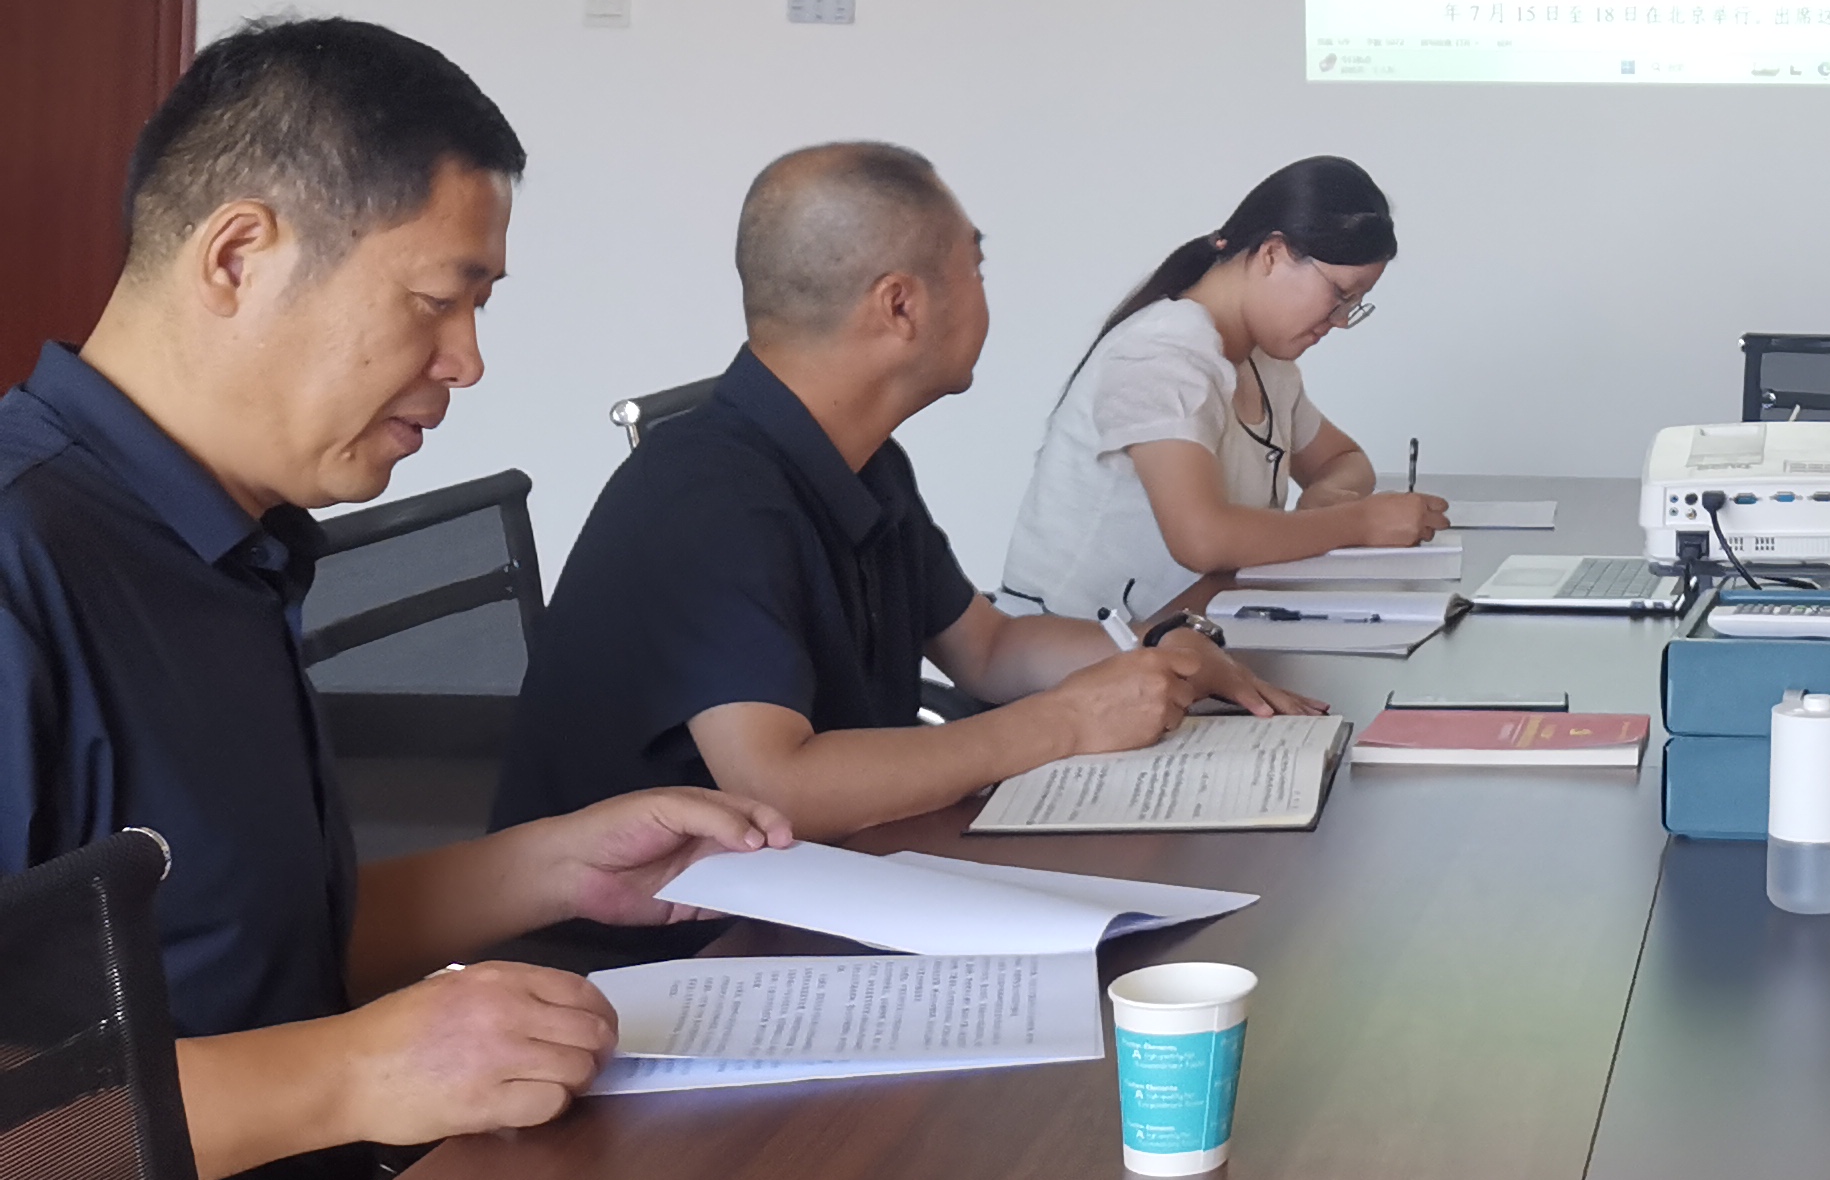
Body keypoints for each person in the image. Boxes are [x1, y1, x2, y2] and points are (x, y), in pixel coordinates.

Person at [0, 18, 795, 1180]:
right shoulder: (23, 562)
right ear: (239, 256)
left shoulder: (225, 544)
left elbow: (232, 950)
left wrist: (555, 868)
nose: (466, 362)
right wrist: (357, 1072)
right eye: (436, 300)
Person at [497, 143, 1323, 845]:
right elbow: (777, 786)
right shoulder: (709, 495)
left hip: (815, 876)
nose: (987, 291)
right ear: (901, 305)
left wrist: (1150, 653)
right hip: (655, 944)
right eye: (976, 266)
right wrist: (1068, 721)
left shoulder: (865, 459)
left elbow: (988, 648)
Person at [997, 157, 1444, 627]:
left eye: (1354, 305)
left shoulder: (1265, 362)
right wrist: (1359, 523)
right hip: (1078, 644)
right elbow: (1201, 539)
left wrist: (1328, 497)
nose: (1341, 321)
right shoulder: (1162, 355)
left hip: (1181, 628)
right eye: (1340, 296)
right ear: (1273, 254)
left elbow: (1343, 459)